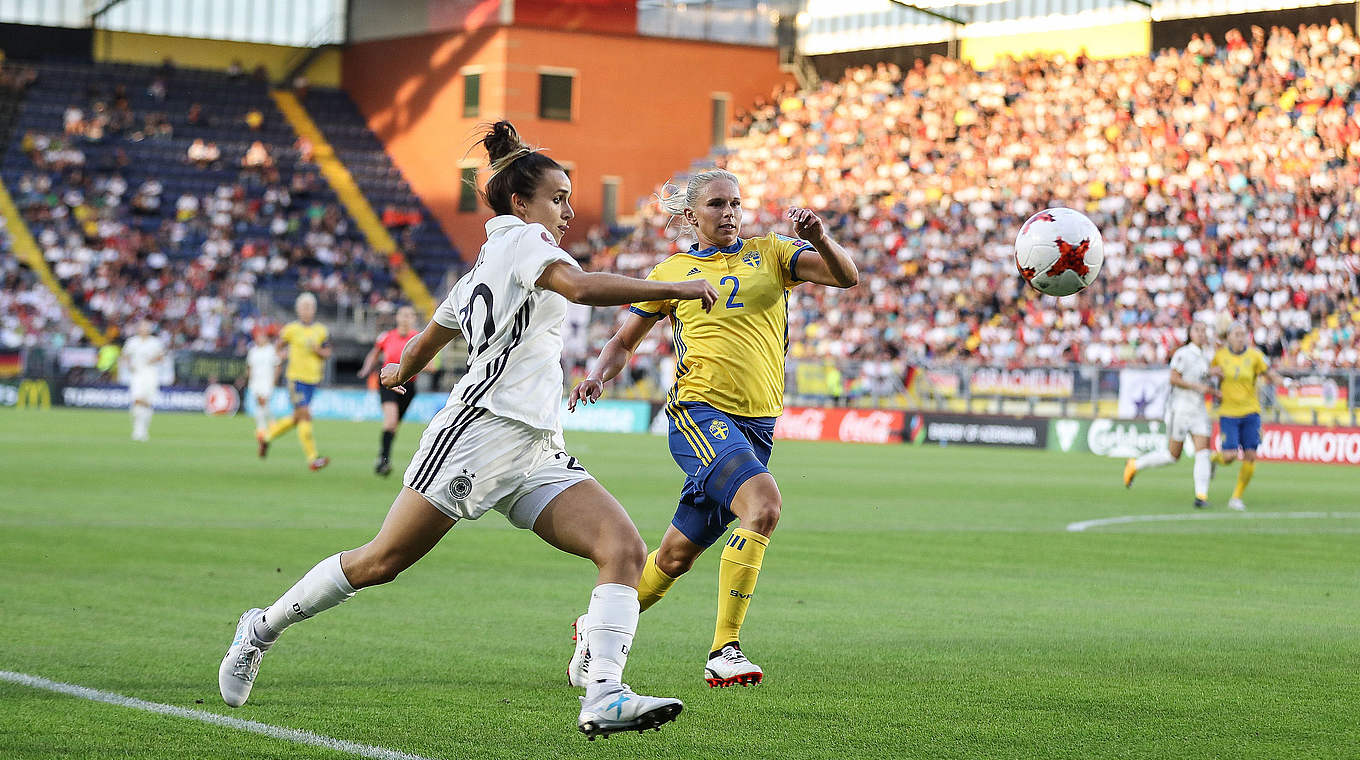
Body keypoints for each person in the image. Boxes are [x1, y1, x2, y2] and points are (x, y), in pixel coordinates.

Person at [219, 121, 717, 739]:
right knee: (382, 561)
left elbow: (434, 333)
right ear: (522, 202)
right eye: (558, 197)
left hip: (536, 444)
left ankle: (604, 694)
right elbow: (583, 288)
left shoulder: (492, 258)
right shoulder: (526, 244)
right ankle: (260, 628)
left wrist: (401, 369)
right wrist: (679, 287)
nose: (567, 210)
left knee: (622, 549)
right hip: (478, 434)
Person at [566, 168, 858, 688]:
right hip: (699, 414)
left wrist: (818, 238)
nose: (729, 213)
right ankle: (725, 648)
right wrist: (596, 375)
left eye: (735, 204)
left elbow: (845, 275)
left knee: (675, 556)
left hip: (758, 424)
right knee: (763, 505)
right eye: (717, 204)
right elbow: (623, 341)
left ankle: (596, 626)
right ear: (690, 215)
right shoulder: (672, 272)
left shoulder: (772, 253)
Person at [1123, 320, 1220, 507]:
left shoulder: (1205, 356)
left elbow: (1199, 376)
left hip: (1199, 409)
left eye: (1203, 330)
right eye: (1198, 330)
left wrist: (1211, 376)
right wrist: (1199, 386)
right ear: (1190, 334)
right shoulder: (1183, 354)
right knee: (1172, 456)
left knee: (1203, 452)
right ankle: (1135, 465)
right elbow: (1174, 378)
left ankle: (1201, 496)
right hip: (1180, 409)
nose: (1201, 333)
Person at [1209, 322, 1282, 511]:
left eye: (1243, 334)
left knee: (1250, 454)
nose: (1240, 337)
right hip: (1228, 413)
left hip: (1251, 411)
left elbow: (1268, 373)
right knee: (1230, 456)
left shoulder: (1255, 355)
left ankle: (1236, 497)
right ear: (1229, 337)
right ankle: (1213, 460)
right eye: (1236, 334)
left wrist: (1285, 382)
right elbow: (1208, 374)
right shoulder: (1219, 356)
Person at [258, 293, 330, 470]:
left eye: (310, 307)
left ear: (314, 310)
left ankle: (267, 436)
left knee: (298, 417)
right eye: (304, 307)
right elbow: (278, 346)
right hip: (295, 379)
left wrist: (317, 350)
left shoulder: (321, 330)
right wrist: (281, 355)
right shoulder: (291, 329)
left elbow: (327, 353)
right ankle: (313, 458)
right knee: (305, 414)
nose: (307, 310)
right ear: (298, 309)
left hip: (313, 379)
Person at [358, 305, 421, 476]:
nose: (406, 318)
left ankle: (383, 457)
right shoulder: (387, 336)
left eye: (409, 315)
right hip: (389, 383)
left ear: (414, 319)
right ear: (397, 318)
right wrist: (366, 368)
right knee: (391, 421)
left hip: (408, 386)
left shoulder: (418, 338)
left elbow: (429, 363)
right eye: (403, 314)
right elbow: (374, 353)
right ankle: (383, 460)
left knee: (393, 426)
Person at [121, 319, 166, 442]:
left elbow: (161, 357)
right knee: (136, 399)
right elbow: (125, 355)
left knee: (147, 401)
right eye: (142, 327)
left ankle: (143, 429)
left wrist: (153, 360)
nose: (144, 329)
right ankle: (137, 429)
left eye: (146, 327)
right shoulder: (132, 342)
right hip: (137, 373)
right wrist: (129, 365)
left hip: (150, 373)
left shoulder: (155, 342)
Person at [245, 325, 280, 444]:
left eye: (262, 337)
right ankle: (272, 422)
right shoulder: (253, 351)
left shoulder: (271, 350)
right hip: (255, 381)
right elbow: (249, 366)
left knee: (262, 402)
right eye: (258, 337)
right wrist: (249, 378)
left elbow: (277, 365)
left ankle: (261, 428)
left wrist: (274, 380)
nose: (259, 339)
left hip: (267, 380)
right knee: (260, 403)